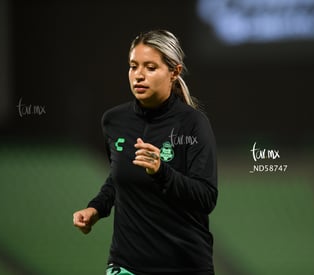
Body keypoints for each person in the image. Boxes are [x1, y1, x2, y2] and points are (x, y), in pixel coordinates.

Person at [73, 30, 218, 275]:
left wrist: (162, 171)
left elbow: (206, 197)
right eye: (133, 66)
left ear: (174, 72)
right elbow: (119, 178)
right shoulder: (113, 121)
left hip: (184, 265)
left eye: (150, 67)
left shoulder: (193, 124)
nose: (139, 75)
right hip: (126, 264)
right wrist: (96, 209)